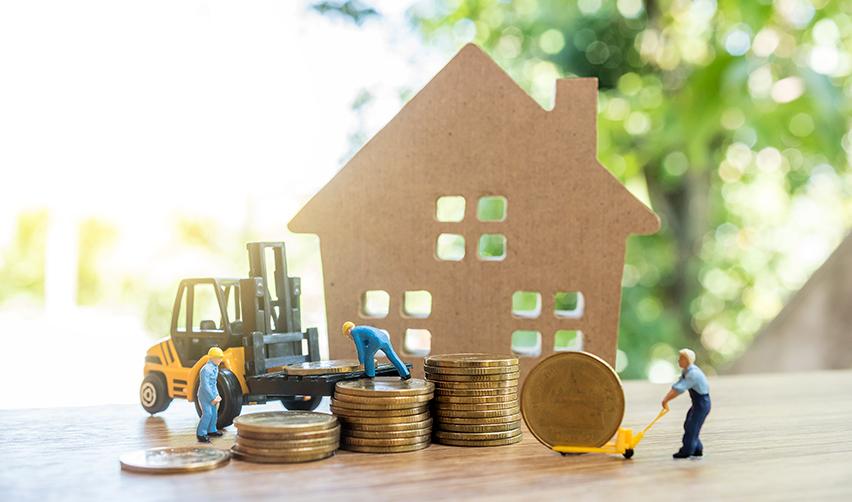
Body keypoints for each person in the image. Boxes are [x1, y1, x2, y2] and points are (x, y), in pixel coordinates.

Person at [661, 348, 711, 459]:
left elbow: (679, 389)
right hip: (697, 403)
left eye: (681, 359)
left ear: (687, 360)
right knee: (689, 424)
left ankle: (687, 450)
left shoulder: (693, 374)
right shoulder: (686, 371)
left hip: (702, 403)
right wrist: (666, 398)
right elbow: (678, 384)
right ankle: (697, 448)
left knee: (692, 427)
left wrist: (666, 400)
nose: (678, 361)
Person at [342, 322, 410, 380]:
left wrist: (362, 362)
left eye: (347, 335)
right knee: (392, 355)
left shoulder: (354, 332)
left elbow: (360, 348)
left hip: (376, 340)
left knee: (368, 356)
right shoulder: (360, 329)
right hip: (384, 337)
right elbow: (366, 342)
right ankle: (405, 373)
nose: (349, 337)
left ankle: (370, 374)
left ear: (348, 330)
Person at [196, 347, 224, 443]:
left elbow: (213, 383)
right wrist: (212, 398)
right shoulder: (205, 370)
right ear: (212, 358)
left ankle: (212, 430)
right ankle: (201, 434)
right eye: (218, 357)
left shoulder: (215, 367)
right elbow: (205, 386)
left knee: (214, 413)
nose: (221, 360)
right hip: (204, 395)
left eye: (221, 357)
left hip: (212, 393)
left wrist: (216, 395)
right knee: (207, 414)